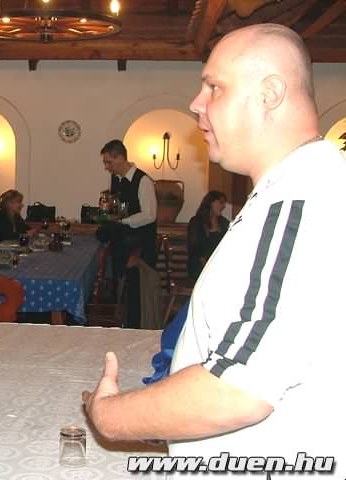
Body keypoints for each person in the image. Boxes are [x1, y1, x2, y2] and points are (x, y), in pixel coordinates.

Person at [83, 24, 345, 477]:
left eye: (214, 87)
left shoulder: (297, 205)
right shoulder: (284, 197)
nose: (195, 103)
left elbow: (237, 391)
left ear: (270, 93)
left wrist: (110, 416)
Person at [97, 140, 158, 275]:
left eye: (108, 162)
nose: (106, 167)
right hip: (121, 242)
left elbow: (149, 215)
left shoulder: (143, 180)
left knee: (134, 285)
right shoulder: (115, 179)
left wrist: (122, 221)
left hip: (139, 247)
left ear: (120, 158)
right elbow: (119, 208)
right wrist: (107, 210)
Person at [187, 190, 229, 280]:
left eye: (224, 203)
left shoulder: (224, 222)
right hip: (200, 264)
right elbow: (194, 248)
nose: (224, 206)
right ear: (210, 203)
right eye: (221, 202)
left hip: (219, 264)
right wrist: (207, 265)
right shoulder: (196, 222)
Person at [0, 189, 34, 253]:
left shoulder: (16, 216)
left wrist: (32, 231)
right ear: (9, 203)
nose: (21, 205)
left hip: (5, 250)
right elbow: (6, 236)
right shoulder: (0, 215)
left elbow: (26, 229)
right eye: (19, 202)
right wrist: (24, 235)